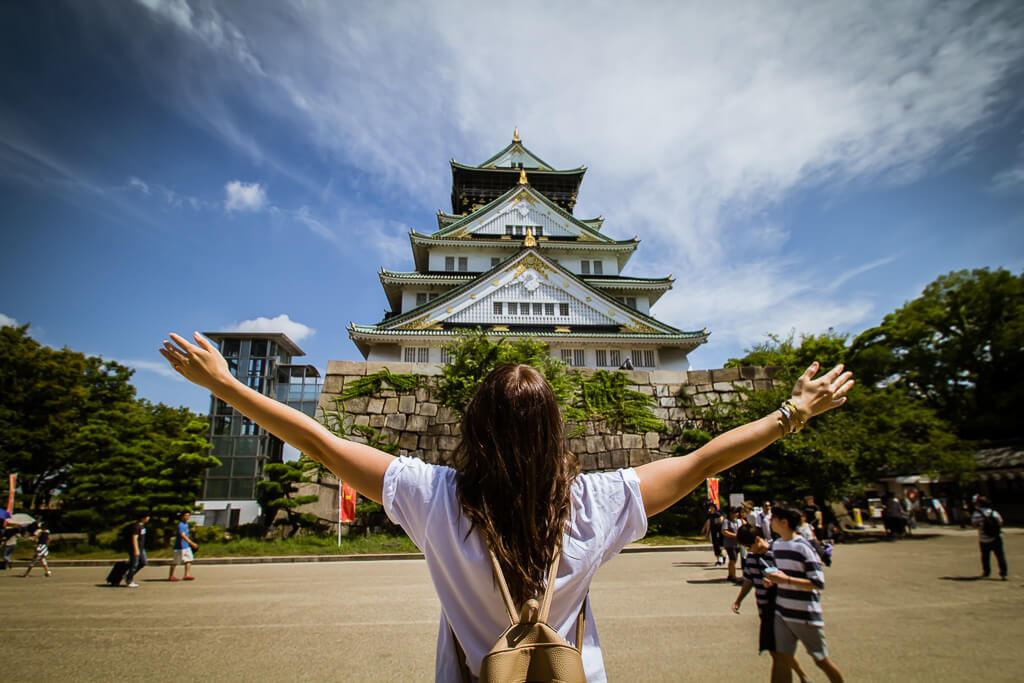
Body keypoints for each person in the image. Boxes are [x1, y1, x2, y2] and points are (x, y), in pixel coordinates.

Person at [159, 331, 853, 681]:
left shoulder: (433, 496)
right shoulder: (597, 501)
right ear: (556, 430)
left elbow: (322, 442)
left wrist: (226, 386)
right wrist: (792, 410)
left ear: (475, 426)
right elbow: (704, 460)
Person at [765, 504, 844, 683]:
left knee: (821, 660)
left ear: (783, 522)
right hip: (783, 612)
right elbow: (782, 573)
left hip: (806, 614)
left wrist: (787, 581)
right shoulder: (777, 545)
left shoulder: (803, 547)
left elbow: (817, 583)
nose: (770, 522)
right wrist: (772, 580)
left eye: (773, 519)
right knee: (782, 660)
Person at [732, 526, 811, 683]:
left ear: (758, 539)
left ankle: (804, 678)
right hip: (764, 610)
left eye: (749, 546)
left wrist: (776, 582)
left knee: (778, 652)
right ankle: (804, 678)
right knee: (778, 652)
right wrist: (739, 599)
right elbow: (748, 581)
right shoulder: (751, 558)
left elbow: (791, 578)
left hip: (779, 609)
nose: (748, 550)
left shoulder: (776, 554)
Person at [971, 496, 1007, 580]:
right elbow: (1001, 522)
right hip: (996, 537)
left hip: (983, 539)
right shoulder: (993, 512)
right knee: (1000, 556)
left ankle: (986, 572)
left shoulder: (976, 514)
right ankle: (1003, 573)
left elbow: (973, 524)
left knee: (985, 556)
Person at [169, 511, 198, 581]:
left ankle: (187, 575)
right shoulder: (181, 525)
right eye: (186, 515)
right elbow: (182, 535)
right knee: (175, 561)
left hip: (186, 546)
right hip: (179, 547)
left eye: (188, 515)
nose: (187, 517)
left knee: (189, 560)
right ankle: (171, 576)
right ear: (182, 516)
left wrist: (190, 530)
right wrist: (192, 543)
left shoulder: (186, 524)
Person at [125, 513, 149, 587]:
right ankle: (129, 580)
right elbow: (134, 538)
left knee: (143, 562)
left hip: (142, 548)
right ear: (142, 518)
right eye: (147, 517)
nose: (148, 518)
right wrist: (136, 549)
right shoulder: (136, 526)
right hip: (136, 548)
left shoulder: (142, 527)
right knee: (134, 564)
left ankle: (128, 575)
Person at [721, 506, 744, 583]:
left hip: (737, 543)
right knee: (733, 559)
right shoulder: (726, 521)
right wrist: (734, 535)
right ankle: (733, 576)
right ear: (731, 513)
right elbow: (724, 531)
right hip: (729, 544)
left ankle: (730, 574)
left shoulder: (737, 521)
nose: (737, 514)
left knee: (733, 560)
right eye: (735, 513)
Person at [701, 502, 726, 566]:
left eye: (712, 507)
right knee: (715, 546)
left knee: (719, 546)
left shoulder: (718, 514)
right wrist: (706, 532)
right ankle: (719, 559)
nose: (710, 508)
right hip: (713, 531)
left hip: (719, 531)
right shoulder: (710, 515)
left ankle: (722, 557)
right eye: (710, 507)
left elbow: (722, 521)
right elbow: (708, 523)